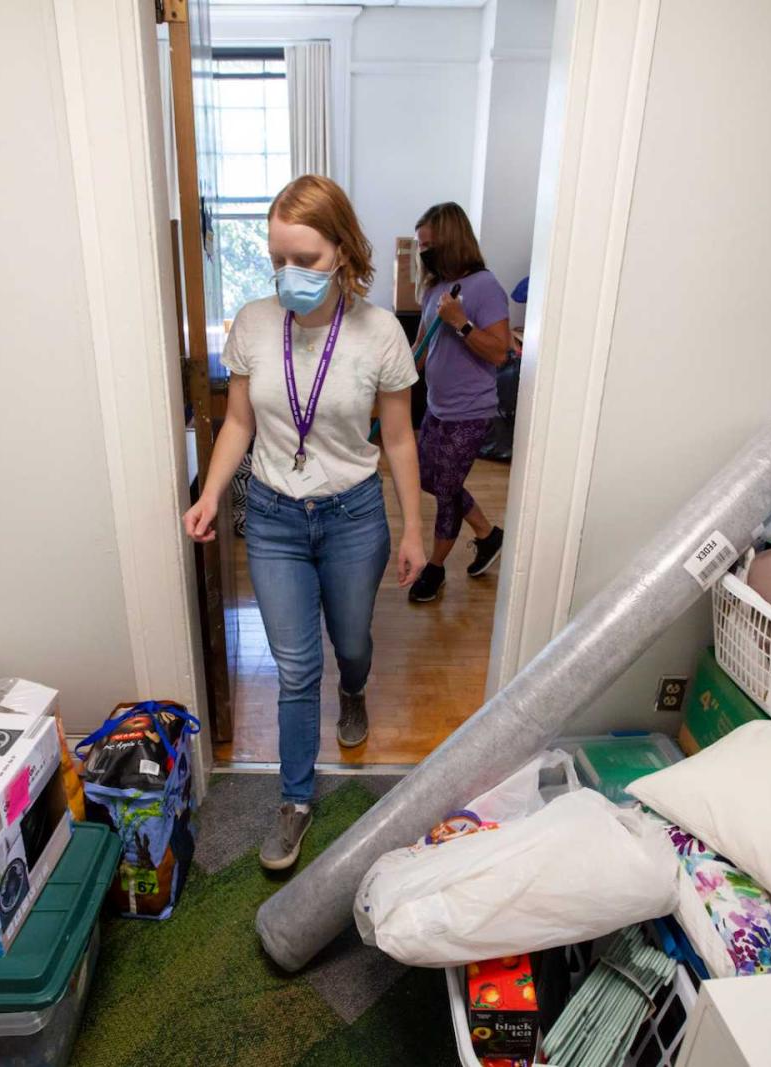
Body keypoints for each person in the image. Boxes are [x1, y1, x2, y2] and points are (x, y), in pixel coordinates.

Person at [182, 175, 426, 871]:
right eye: (277, 259)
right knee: (295, 666)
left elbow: (401, 440)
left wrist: (414, 528)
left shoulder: (379, 334)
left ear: (344, 252)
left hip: (353, 516)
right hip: (272, 518)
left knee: (351, 643)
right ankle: (294, 799)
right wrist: (211, 493)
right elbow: (237, 422)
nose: (289, 274)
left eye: (307, 260)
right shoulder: (254, 323)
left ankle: (355, 689)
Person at [407, 202, 512, 603]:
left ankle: (434, 569)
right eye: (421, 247)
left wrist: (461, 322)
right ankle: (487, 535)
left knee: (447, 488)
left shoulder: (485, 287)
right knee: (430, 479)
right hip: (437, 406)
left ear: (451, 242)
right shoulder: (435, 288)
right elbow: (421, 344)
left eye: (430, 245)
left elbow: (500, 352)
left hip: (469, 412)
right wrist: (394, 376)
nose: (425, 253)